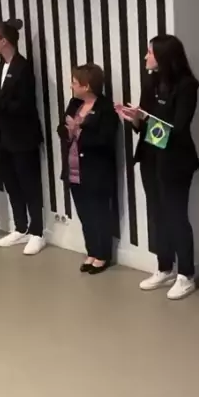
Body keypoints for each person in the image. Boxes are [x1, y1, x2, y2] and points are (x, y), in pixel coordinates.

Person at [116, 34, 199, 300]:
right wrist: (134, 118)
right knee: (156, 214)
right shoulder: (151, 81)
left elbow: (179, 129)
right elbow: (144, 124)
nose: (146, 56)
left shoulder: (187, 86)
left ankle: (186, 274)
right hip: (150, 156)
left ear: (164, 56)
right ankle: (164, 267)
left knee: (176, 216)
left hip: (176, 160)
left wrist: (145, 119)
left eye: (150, 52)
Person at [0, 19, 45, 256]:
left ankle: (37, 231)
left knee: (29, 183)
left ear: (4, 41)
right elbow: (0, 100)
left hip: (22, 134)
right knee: (11, 182)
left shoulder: (23, 67)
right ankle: (20, 226)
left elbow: (24, 104)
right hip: (2, 134)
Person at [59, 63, 119, 275]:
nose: (72, 86)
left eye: (75, 82)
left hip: (96, 170)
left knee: (99, 213)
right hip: (74, 168)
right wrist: (68, 131)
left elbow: (105, 140)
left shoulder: (105, 109)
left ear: (87, 85)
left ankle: (103, 254)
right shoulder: (74, 104)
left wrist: (80, 131)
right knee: (85, 214)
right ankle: (92, 251)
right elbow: (62, 128)